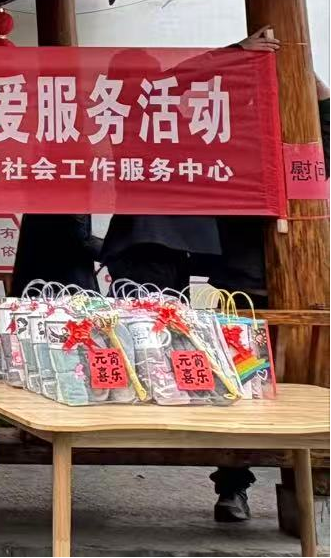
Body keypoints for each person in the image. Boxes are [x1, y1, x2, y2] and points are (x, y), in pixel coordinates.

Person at [100, 26, 280, 522]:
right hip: (151, 246)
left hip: (229, 251)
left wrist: (268, 72)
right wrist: (236, 55)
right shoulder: (131, 113)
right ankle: (143, 435)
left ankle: (234, 481)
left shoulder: (205, 124)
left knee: (242, 365)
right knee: (150, 351)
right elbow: (168, 85)